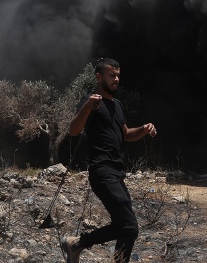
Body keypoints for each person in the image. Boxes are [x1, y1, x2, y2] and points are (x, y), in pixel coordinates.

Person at [61, 58, 157, 263]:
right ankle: (76, 243)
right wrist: (87, 107)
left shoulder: (117, 105)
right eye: (112, 75)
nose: (116, 79)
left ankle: (75, 244)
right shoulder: (91, 101)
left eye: (118, 75)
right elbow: (73, 130)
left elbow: (126, 134)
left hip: (117, 172)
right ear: (99, 76)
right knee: (129, 226)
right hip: (101, 170)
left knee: (125, 228)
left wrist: (143, 128)